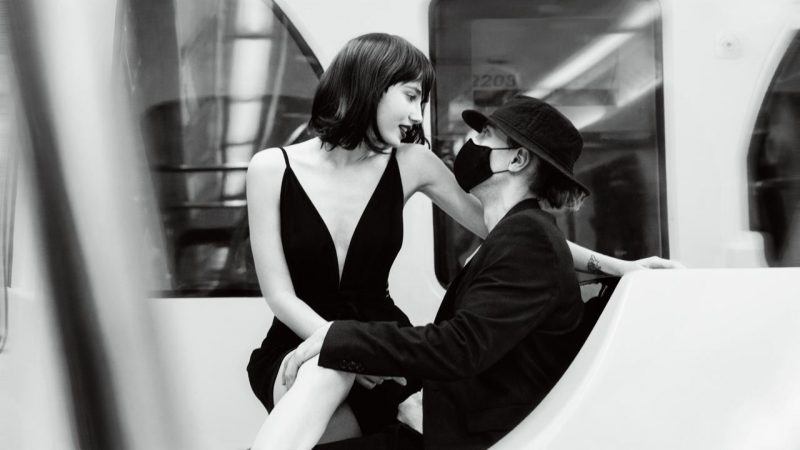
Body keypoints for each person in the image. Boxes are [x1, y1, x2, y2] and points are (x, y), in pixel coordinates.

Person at [246, 33, 678, 449]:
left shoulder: (412, 163)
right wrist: (343, 348)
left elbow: (506, 231)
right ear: (370, 85)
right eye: (411, 97)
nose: (418, 117)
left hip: (382, 347)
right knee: (327, 371)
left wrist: (618, 267)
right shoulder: (270, 169)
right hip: (298, 340)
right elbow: (280, 296)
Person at [275, 95, 593, 450]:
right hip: (448, 420)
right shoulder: (514, 234)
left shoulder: (529, 239)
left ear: (517, 160)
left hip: (466, 436)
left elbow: (461, 346)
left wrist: (340, 337)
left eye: (484, 136)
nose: (470, 144)